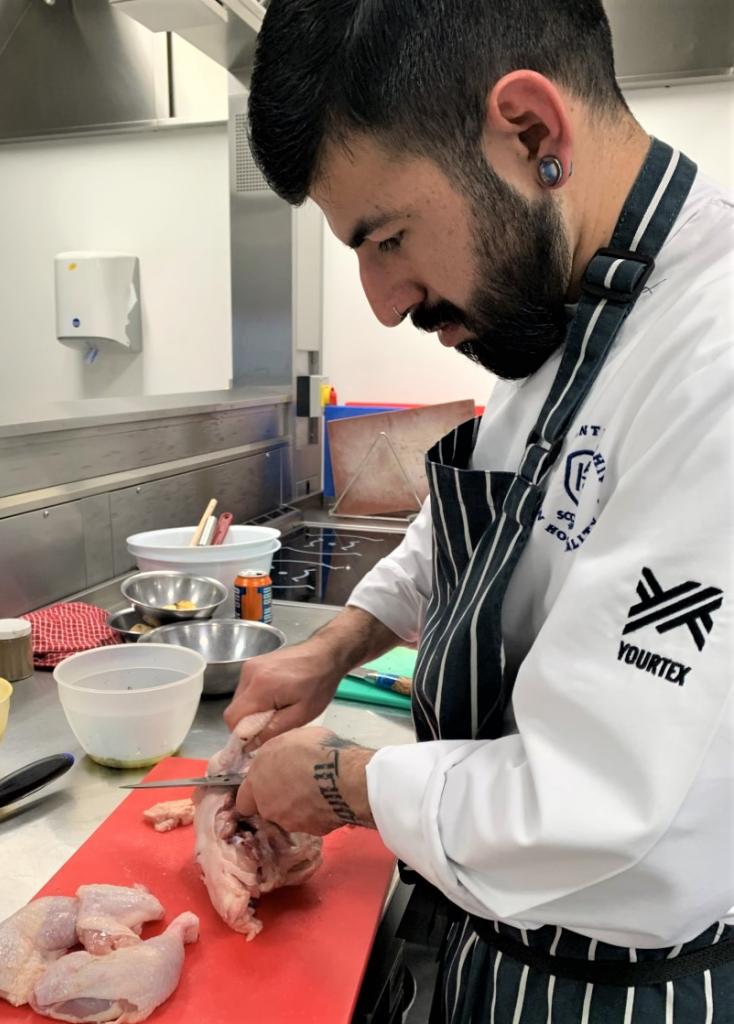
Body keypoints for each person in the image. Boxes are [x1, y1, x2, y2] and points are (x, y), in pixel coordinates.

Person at [225, 1, 734, 1020]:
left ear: (531, 133)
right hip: (490, 942)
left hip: (613, 991)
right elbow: (480, 520)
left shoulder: (711, 358)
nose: (377, 300)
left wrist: (341, 784)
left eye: (385, 237)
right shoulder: (566, 307)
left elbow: (594, 797)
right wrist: (334, 644)